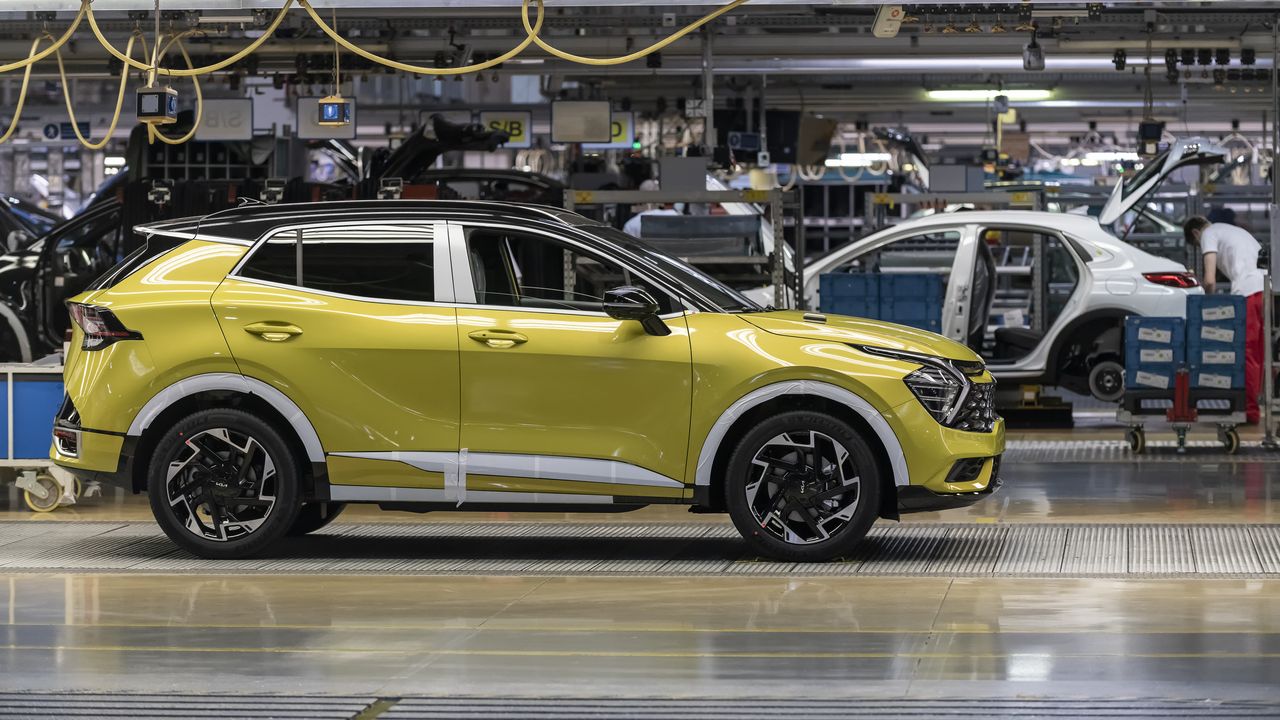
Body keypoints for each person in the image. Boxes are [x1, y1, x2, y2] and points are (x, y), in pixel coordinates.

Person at [1184, 216, 1265, 423]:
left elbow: (1210, 280)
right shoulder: (1233, 231)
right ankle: (1257, 406)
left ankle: (1250, 412)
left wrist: (1205, 309)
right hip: (1268, 290)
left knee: (1247, 352)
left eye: (1197, 245)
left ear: (1196, 233)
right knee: (1261, 353)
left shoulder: (1208, 234)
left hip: (1249, 292)